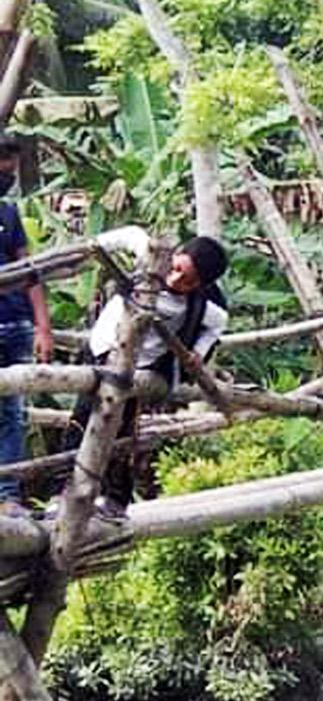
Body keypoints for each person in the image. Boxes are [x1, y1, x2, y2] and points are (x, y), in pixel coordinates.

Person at [69, 236, 228, 519]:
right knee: (80, 423)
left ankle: (114, 499)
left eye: (188, 280)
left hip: (140, 371)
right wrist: (91, 246)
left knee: (121, 431)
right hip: (103, 353)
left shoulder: (203, 307)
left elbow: (217, 325)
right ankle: (64, 493)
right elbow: (127, 234)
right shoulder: (150, 261)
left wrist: (197, 354)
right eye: (176, 268)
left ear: (200, 286)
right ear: (174, 255)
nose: (176, 278)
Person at [0, 134, 50, 514]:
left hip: (15, 323)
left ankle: (7, 497)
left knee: (11, 413)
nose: (8, 176)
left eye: (12, 170)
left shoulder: (9, 214)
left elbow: (30, 271)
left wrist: (43, 326)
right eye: (4, 168)